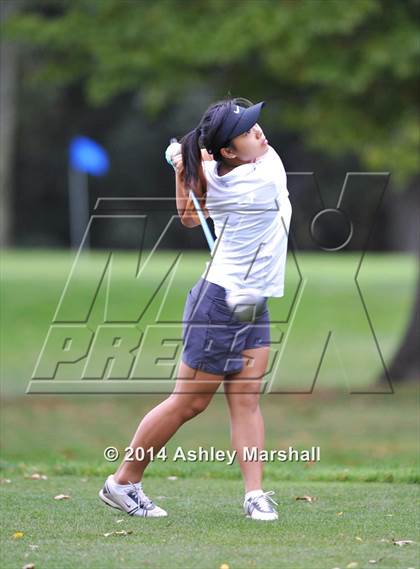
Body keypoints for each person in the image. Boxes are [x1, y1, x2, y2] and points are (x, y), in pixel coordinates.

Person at [99, 97, 292, 521]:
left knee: (246, 399)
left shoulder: (216, 171)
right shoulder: (260, 177)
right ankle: (123, 481)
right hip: (220, 302)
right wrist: (185, 162)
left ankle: (255, 494)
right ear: (227, 150)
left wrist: (182, 164)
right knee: (188, 402)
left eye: (254, 125)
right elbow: (190, 213)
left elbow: (188, 214)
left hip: (252, 301)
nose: (259, 132)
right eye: (247, 131)